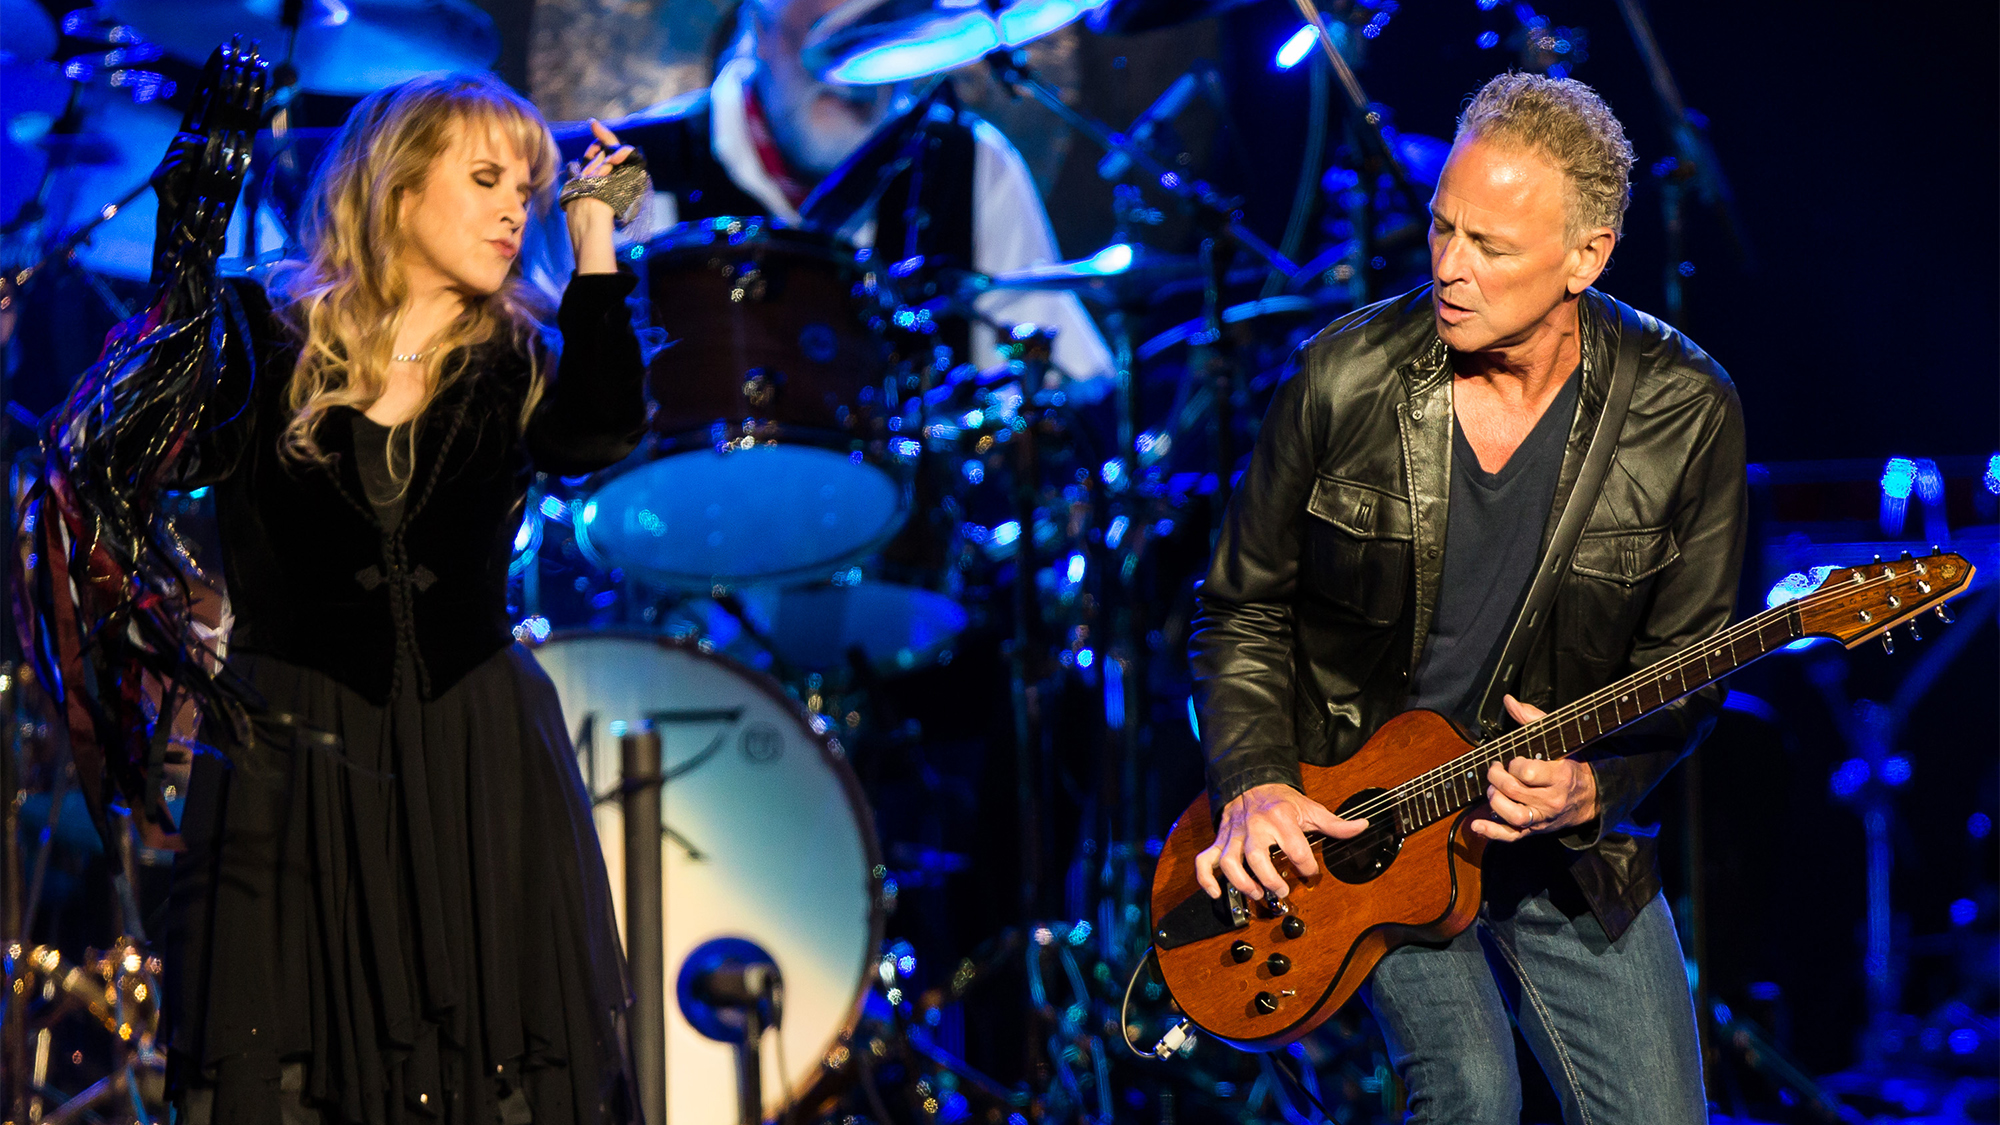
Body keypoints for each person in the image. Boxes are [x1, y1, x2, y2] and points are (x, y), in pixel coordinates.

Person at [1188, 72, 1746, 1123]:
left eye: (1489, 247)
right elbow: (1240, 610)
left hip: (1558, 856)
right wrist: (1255, 781)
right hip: (1363, 826)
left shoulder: (1685, 410)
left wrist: (1594, 791)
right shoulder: (1340, 378)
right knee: (1471, 1097)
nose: (1448, 268)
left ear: (1586, 256)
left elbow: (1684, 673)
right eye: (1441, 228)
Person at [151, 73, 649, 1123]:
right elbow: (164, 428)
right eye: (485, 179)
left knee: (499, 1060)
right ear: (395, 189)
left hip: (478, 757)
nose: (518, 207)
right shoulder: (260, 333)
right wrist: (189, 219)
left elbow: (598, 431)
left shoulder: (515, 354)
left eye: (530, 186)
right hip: (292, 763)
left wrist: (594, 233)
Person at [579, 0, 1116, 387]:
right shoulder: (631, 163)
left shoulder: (971, 165)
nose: (856, 62)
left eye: (882, 22)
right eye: (828, 23)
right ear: (756, 19)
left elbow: (1068, 383)